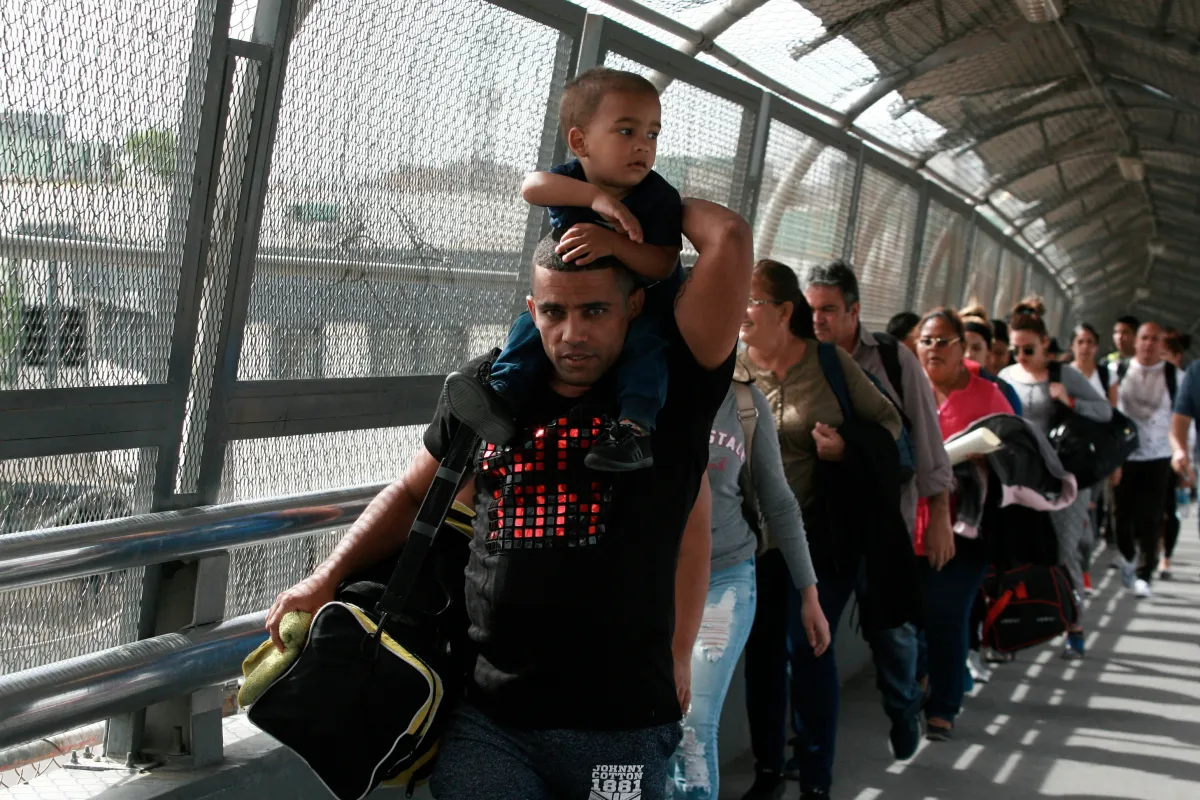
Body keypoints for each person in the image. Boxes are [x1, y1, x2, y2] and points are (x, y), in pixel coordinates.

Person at [265, 200, 755, 800]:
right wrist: (324, 577)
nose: (572, 333)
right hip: (490, 720)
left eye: (595, 310)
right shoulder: (489, 392)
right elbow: (414, 491)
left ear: (632, 306)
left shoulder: (670, 398)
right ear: (532, 311)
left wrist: (624, 197)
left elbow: (727, 235)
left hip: (621, 724)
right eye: (554, 311)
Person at [444, 67, 684, 473]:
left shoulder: (658, 195)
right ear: (580, 140)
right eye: (627, 132)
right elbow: (531, 187)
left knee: (646, 351)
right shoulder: (571, 179)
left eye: (652, 134)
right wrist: (596, 199)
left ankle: (634, 429)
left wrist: (613, 243)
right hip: (575, 299)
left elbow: (663, 262)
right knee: (529, 325)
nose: (643, 146)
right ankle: (502, 396)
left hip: (638, 307)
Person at [739, 259, 907, 800]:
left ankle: (814, 779)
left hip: (821, 536)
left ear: (785, 312)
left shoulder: (830, 363)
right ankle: (769, 771)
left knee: (806, 646)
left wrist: (844, 448)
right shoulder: (731, 368)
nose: (739, 309)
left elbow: (888, 423)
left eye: (752, 299)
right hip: (752, 540)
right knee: (763, 655)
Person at [668, 374, 831, 800]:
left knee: (693, 723)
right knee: (650, 726)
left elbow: (778, 499)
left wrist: (809, 594)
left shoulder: (744, 402)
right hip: (649, 585)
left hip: (724, 577)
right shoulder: (638, 382)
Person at [914, 308, 1014, 740]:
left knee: (947, 614)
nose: (934, 349)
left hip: (968, 527)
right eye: (926, 340)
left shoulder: (987, 394)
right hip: (911, 523)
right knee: (912, 616)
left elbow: (1015, 448)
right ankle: (916, 687)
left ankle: (943, 706)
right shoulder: (906, 389)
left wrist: (985, 454)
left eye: (943, 341)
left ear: (961, 349)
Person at [1000, 304, 1110, 659]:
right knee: (1015, 551)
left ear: (1045, 344)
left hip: (1063, 479)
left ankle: (1074, 626)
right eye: (1015, 348)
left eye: (1028, 349)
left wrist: (1071, 400)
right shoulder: (1006, 375)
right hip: (1020, 478)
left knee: (1064, 550)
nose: (1021, 356)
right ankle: (1012, 628)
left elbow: (1105, 411)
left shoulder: (1063, 374)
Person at [1109, 322, 1176, 597]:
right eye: (1144, 338)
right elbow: (1108, 413)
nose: (1149, 344)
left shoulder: (1175, 376)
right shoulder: (1117, 372)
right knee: (1121, 515)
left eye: (1155, 339)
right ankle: (1127, 555)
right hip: (1124, 456)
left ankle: (1143, 574)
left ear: (1162, 344)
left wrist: (1186, 459)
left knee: (1150, 517)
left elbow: (1184, 420)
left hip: (1159, 456)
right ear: (1136, 342)